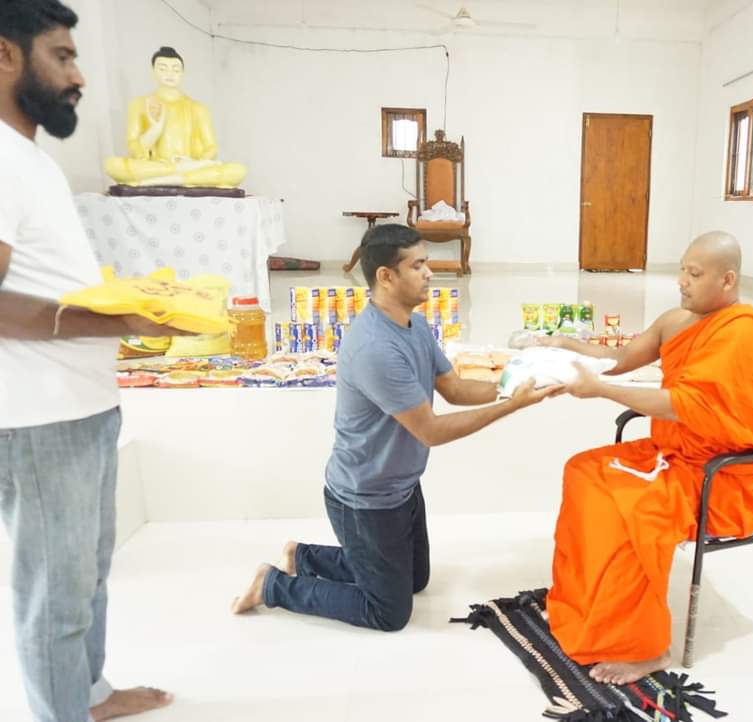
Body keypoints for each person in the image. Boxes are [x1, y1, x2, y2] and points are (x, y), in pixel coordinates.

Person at [0, 1, 187, 719]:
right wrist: (113, 318)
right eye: (62, 56)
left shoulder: (31, 159)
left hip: (83, 403)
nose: (79, 76)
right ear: (5, 55)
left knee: (86, 574)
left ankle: (88, 694)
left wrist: (130, 304)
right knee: (55, 593)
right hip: (38, 415)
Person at [231, 224, 561, 630]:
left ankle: (302, 556)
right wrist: (513, 406)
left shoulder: (415, 326)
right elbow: (431, 431)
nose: (429, 273)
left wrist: (514, 385)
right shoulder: (376, 348)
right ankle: (274, 585)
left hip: (401, 484)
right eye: (417, 266)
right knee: (388, 612)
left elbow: (454, 388)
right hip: (365, 496)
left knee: (416, 580)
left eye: (426, 263)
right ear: (386, 276)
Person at [544, 231, 753, 685]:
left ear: (727, 280)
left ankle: (646, 649)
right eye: (682, 270)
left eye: (694, 274)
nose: (682, 281)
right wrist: (565, 347)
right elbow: (619, 358)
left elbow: (679, 405)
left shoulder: (741, 331)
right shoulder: (675, 320)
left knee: (636, 513)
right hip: (673, 453)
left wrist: (601, 391)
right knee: (583, 472)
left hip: (723, 475)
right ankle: (588, 606)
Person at [103, 45, 246, 188]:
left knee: (238, 170)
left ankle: (162, 180)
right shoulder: (139, 104)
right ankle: (180, 174)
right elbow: (135, 151)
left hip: (190, 165)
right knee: (112, 165)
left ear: (182, 73)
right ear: (153, 71)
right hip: (157, 166)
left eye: (176, 70)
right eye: (163, 69)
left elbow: (211, 147)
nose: (170, 74)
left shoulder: (198, 108)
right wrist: (155, 129)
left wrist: (194, 162)